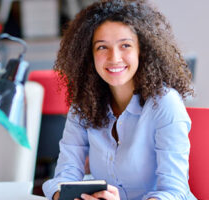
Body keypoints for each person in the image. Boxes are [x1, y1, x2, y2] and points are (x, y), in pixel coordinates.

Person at [42, 0, 196, 200]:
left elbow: (174, 192)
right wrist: (64, 196)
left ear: (142, 49)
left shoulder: (165, 103)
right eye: (102, 47)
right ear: (89, 55)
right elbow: (65, 175)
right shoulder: (83, 105)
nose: (114, 57)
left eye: (125, 45)